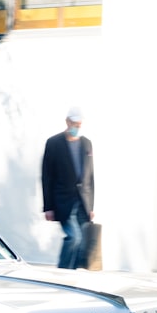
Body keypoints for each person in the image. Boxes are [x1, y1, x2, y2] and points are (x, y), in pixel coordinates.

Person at [42, 106, 95, 269]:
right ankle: (62, 272)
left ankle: (70, 275)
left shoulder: (87, 143)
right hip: (63, 201)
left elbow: (91, 177)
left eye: (79, 125)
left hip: (82, 202)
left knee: (81, 244)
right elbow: (47, 176)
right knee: (74, 238)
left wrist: (91, 206)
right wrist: (48, 207)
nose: (76, 128)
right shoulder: (53, 143)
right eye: (74, 124)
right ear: (67, 122)